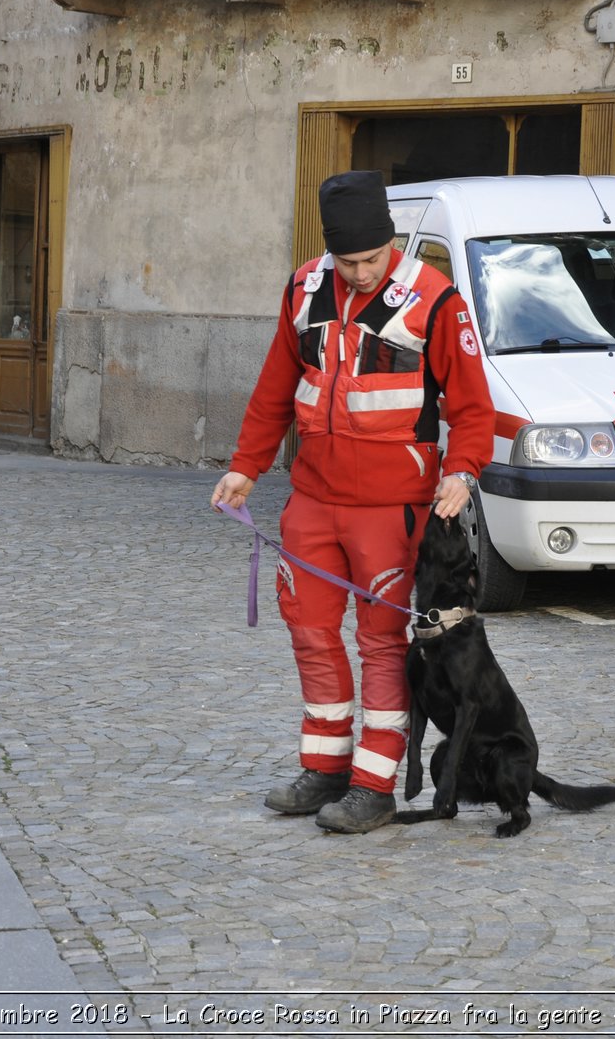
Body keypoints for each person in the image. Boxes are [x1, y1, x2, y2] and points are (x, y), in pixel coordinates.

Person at [210, 170, 496, 834]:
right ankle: (326, 768)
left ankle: (375, 785)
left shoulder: (435, 298)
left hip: (392, 508)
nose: (361, 272)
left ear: (391, 242)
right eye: (349, 261)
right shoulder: (304, 288)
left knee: (380, 644)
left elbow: (475, 409)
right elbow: (275, 387)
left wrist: (462, 471)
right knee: (310, 634)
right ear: (329, 251)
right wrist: (245, 468)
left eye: (372, 258)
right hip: (313, 501)